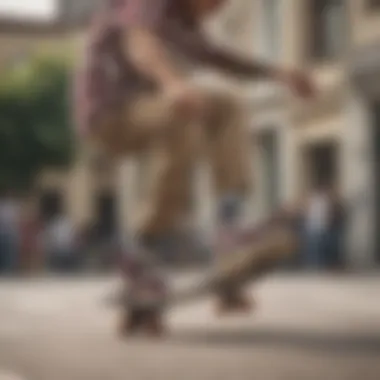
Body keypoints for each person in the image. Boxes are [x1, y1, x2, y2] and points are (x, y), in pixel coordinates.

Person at [74, 0, 315, 332]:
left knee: (228, 104)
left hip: (148, 106)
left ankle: (229, 225)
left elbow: (221, 58)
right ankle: (146, 244)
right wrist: (172, 82)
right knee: (184, 112)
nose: (218, 8)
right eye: (214, 1)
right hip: (110, 113)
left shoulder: (187, 26)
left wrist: (277, 73)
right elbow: (139, 42)